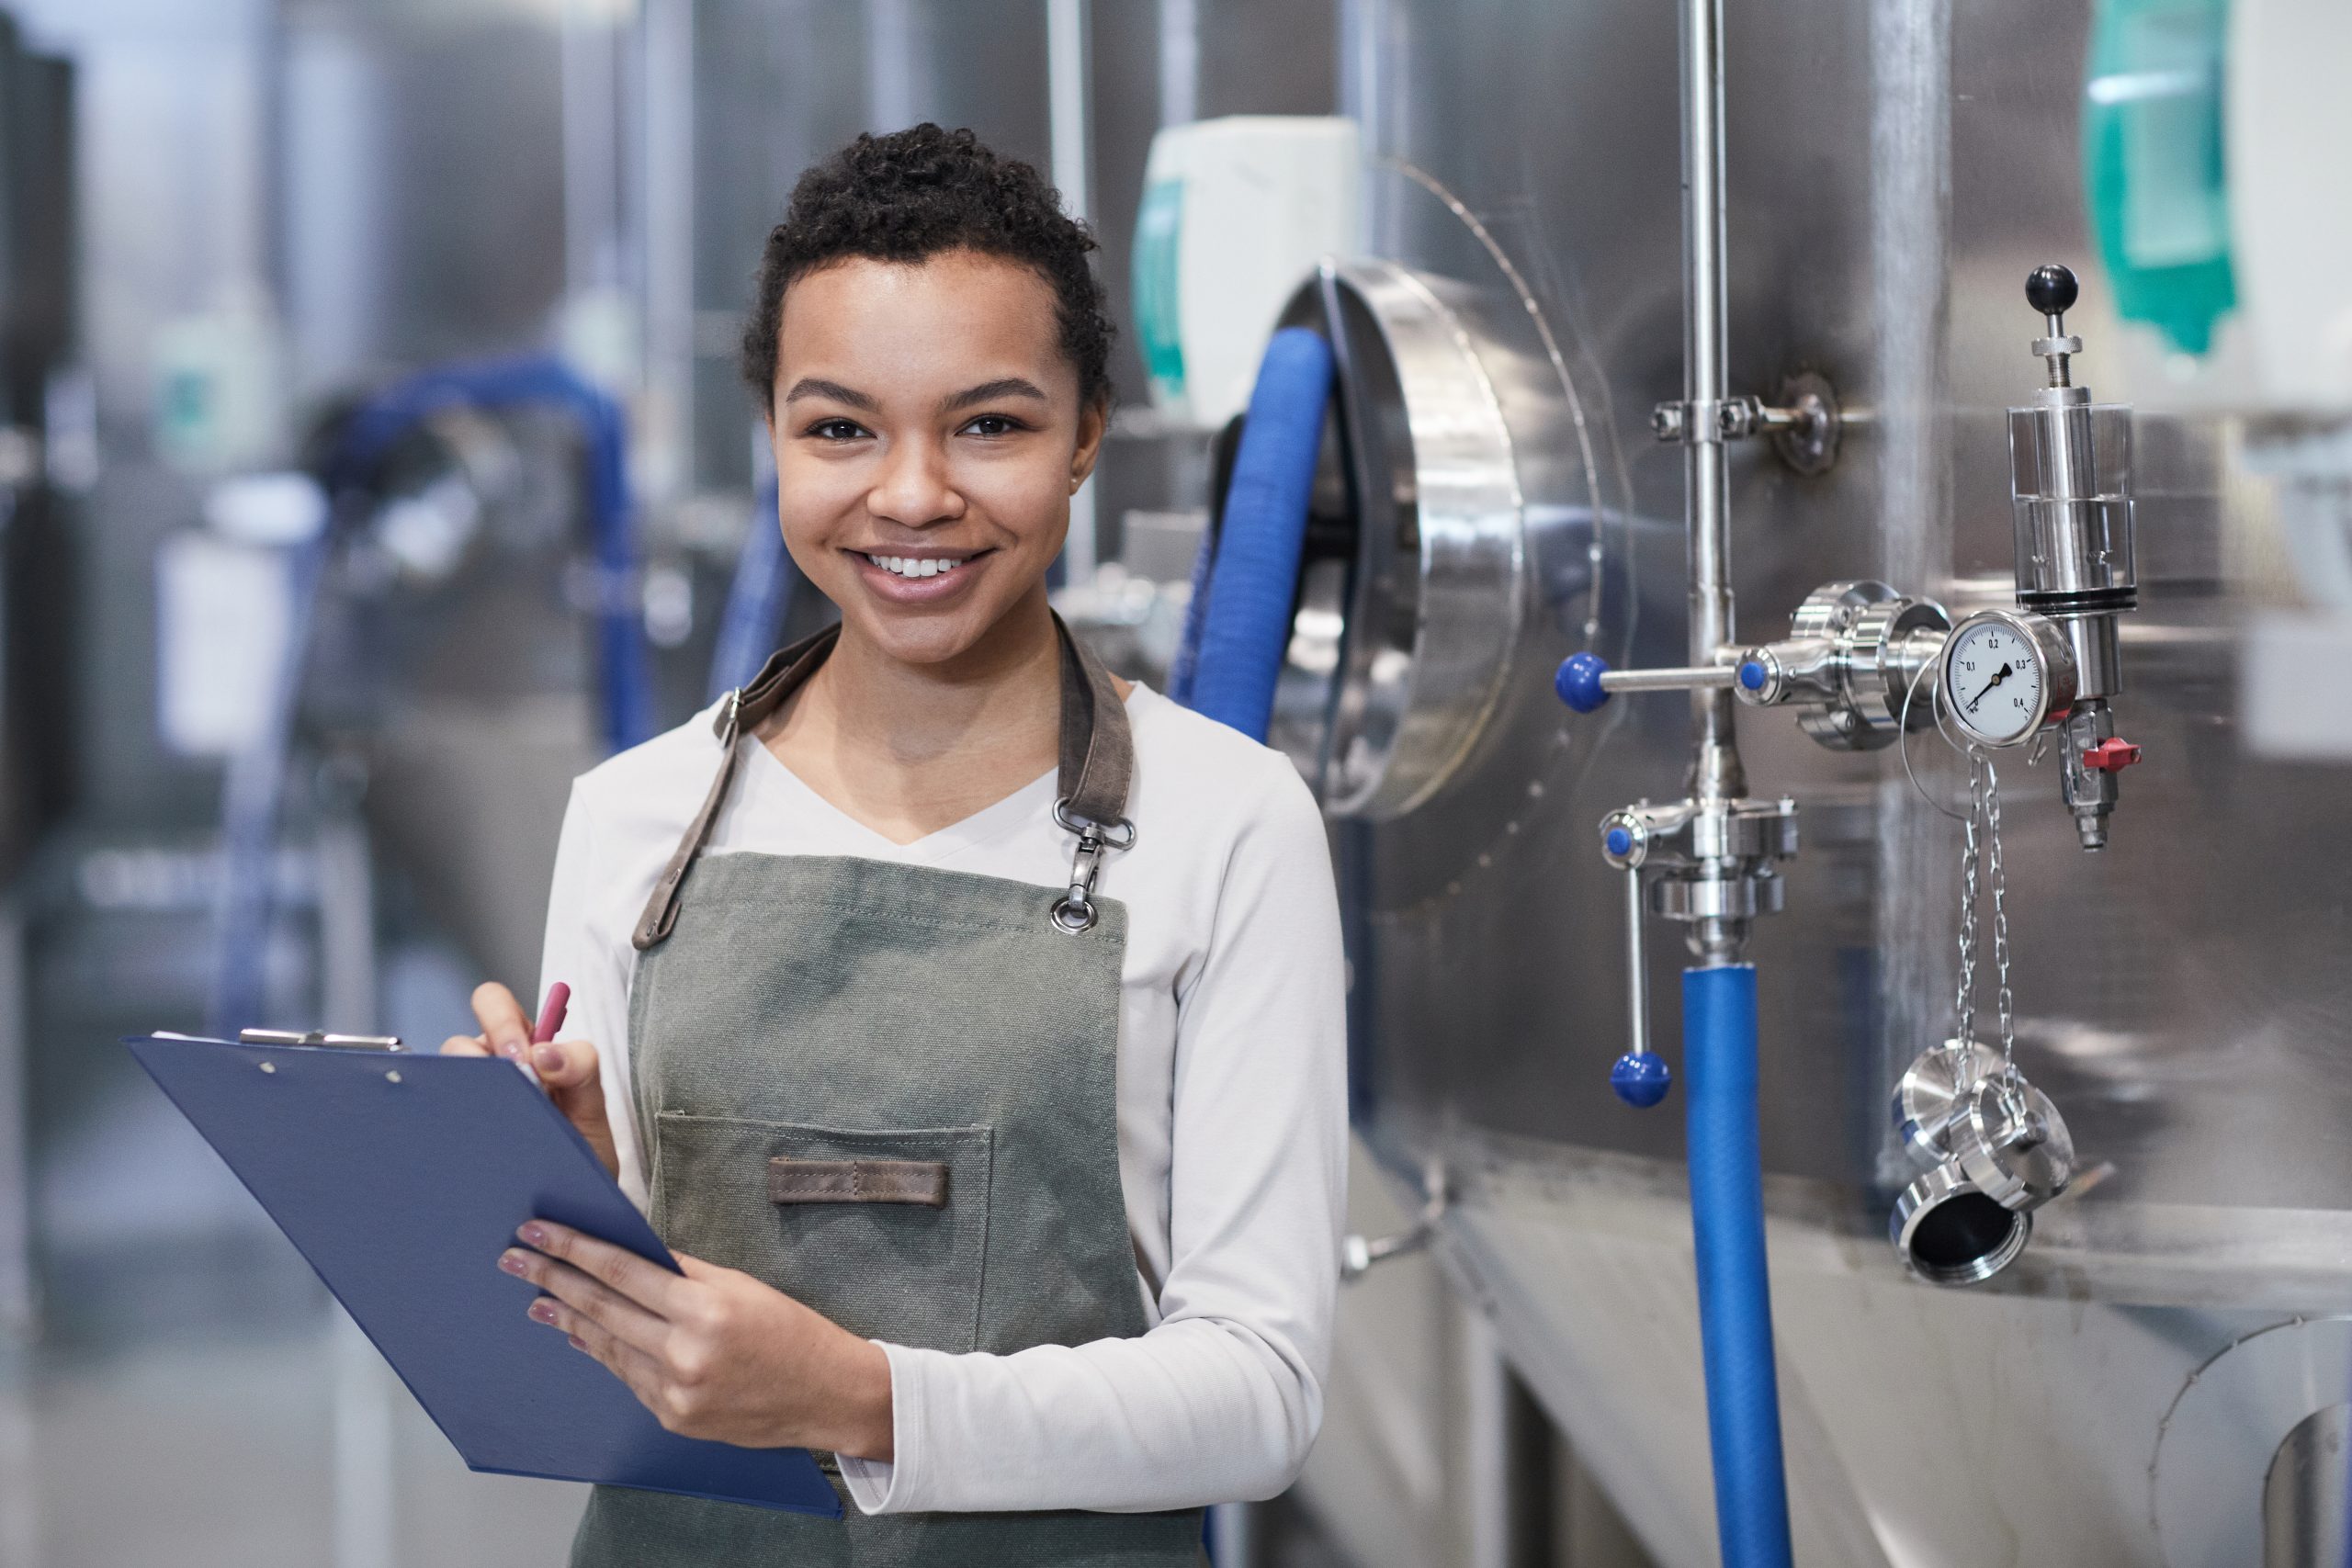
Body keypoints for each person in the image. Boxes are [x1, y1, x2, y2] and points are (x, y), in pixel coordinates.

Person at [443, 123, 1348, 1565]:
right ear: (775, 439)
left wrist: (861, 1399)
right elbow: (589, 1372)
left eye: (989, 424)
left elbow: (1261, 1394)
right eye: (840, 427)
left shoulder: (1229, 823)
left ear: (1086, 435)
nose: (912, 494)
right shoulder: (638, 814)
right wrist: (558, 1194)